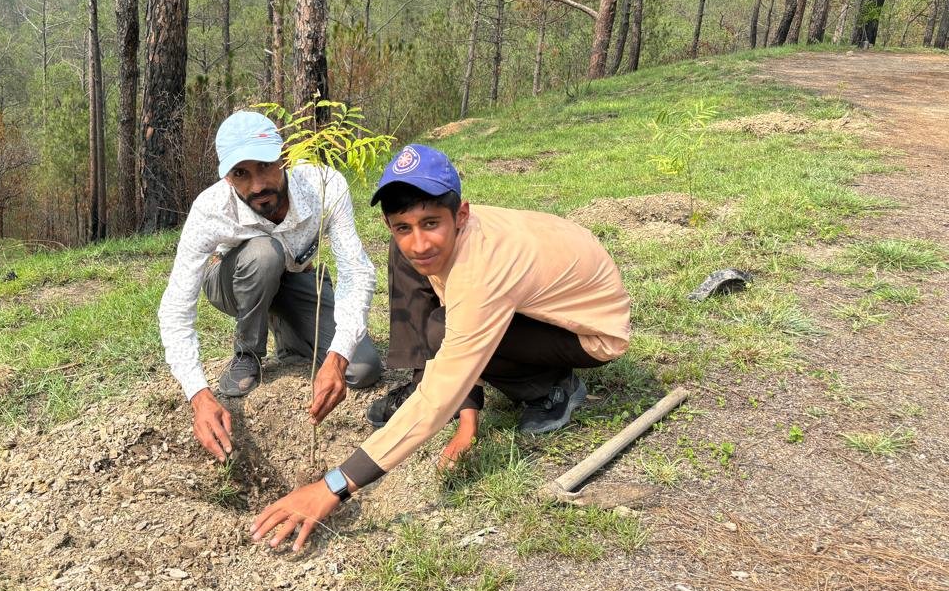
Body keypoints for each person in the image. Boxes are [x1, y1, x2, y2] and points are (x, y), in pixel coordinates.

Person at [251, 143, 631, 551]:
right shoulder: (442, 238)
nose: (418, 242)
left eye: (431, 223)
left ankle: (552, 388)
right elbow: (450, 325)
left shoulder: (484, 271)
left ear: (461, 214)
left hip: (589, 333)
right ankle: (433, 379)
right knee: (428, 298)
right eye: (402, 227)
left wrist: (332, 486)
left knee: (442, 329)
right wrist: (466, 416)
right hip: (540, 299)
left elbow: (442, 389)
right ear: (387, 223)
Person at [159, 110, 383, 462]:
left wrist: (339, 357)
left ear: (285, 157)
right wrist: (198, 395)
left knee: (362, 368)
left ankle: (289, 330)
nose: (257, 185)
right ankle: (247, 353)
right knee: (264, 254)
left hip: (295, 279)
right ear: (227, 177)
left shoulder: (324, 185)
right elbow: (175, 309)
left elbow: (356, 270)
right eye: (241, 173)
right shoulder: (210, 209)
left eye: (265, 165)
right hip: (232, 281)